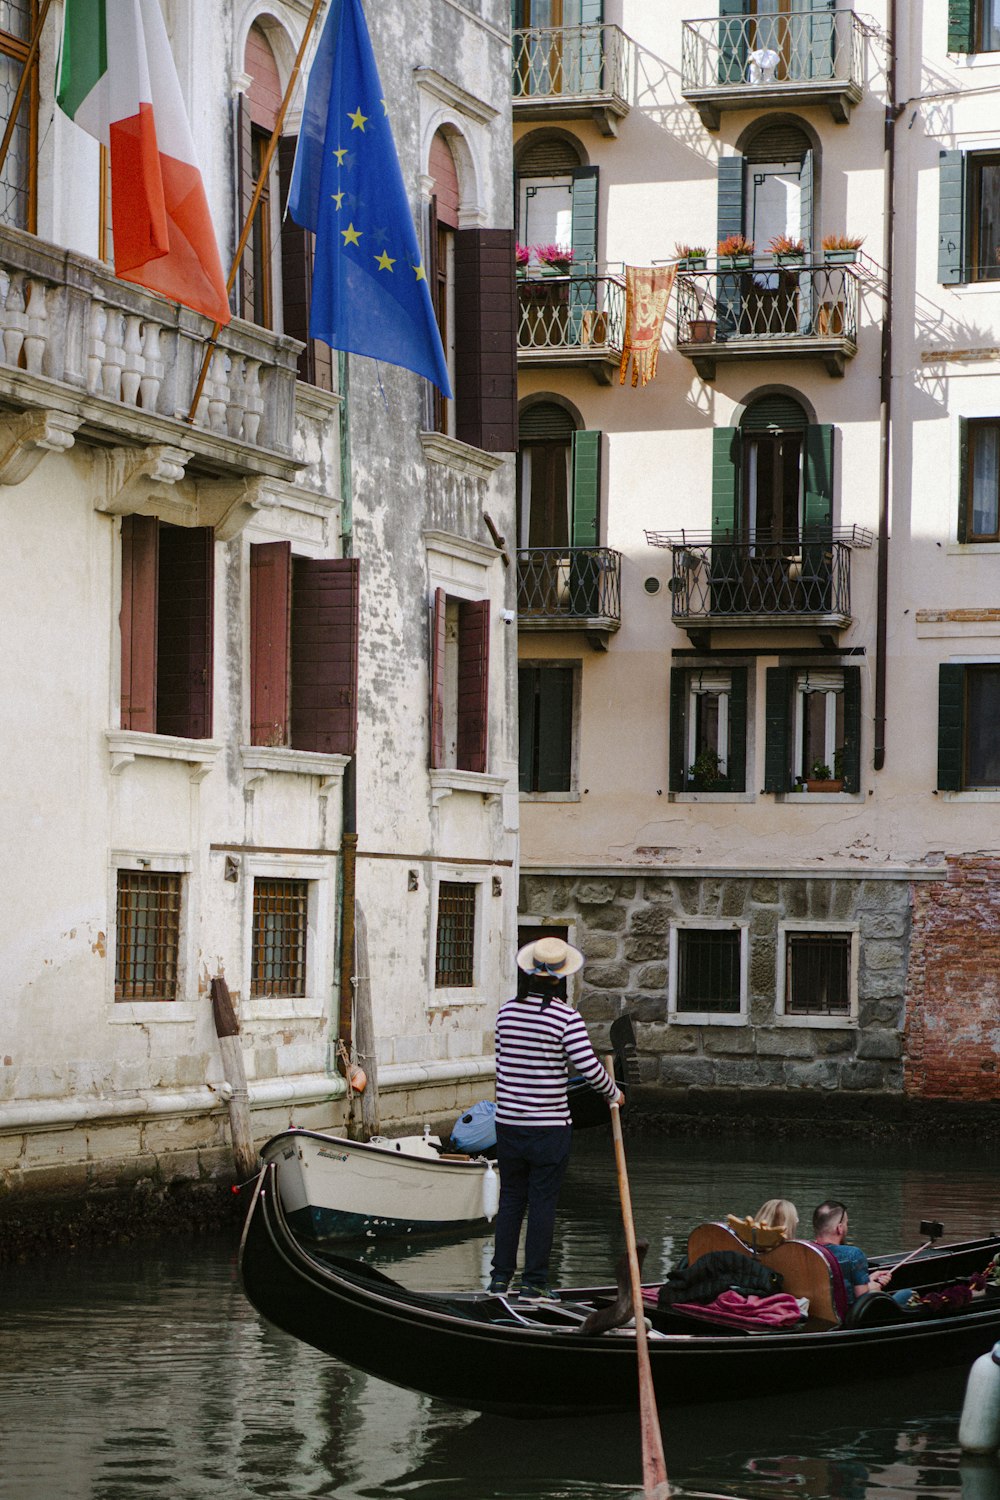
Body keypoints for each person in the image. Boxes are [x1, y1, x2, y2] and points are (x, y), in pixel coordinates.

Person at [488, 936, 623, 1303]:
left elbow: (504, 1065)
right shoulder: (566, 1018)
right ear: (561, 979)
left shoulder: (505, 1013)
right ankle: (533, 1281)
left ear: (529, 975)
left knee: (512, 1200)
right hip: (548, 1126)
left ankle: (500, 1279)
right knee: (543, 1202)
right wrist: (614, 1093)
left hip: (509, 1123)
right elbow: (589, 1069)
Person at [811, 1200, 892, 1303]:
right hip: (848, 1316)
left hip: (818, 1310)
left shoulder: (806, 1251)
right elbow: (862, 1296)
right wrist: (875, 1286)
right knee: (906, 1294)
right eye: (846, 1223)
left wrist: (866, 1280)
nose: (846, 1227)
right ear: (839, 1228)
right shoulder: (853, 1254)